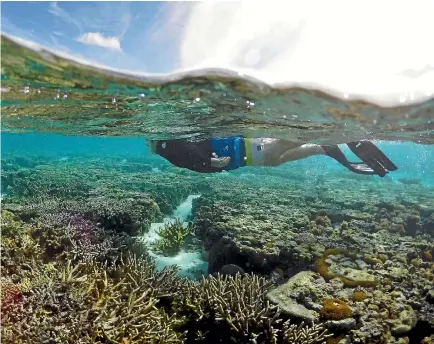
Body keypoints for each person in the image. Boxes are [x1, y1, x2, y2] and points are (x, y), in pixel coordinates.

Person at [148, 137, 397, 177]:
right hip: (247, 157)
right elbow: (192, 160)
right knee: (276, 159)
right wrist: (207, 164)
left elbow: (190, 155)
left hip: (247, 150)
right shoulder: (167, 147)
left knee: (277, 149)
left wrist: (206, 162)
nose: (147, 145)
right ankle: (326, 147)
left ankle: (332, 137)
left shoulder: (168, 144)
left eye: (150, 142)